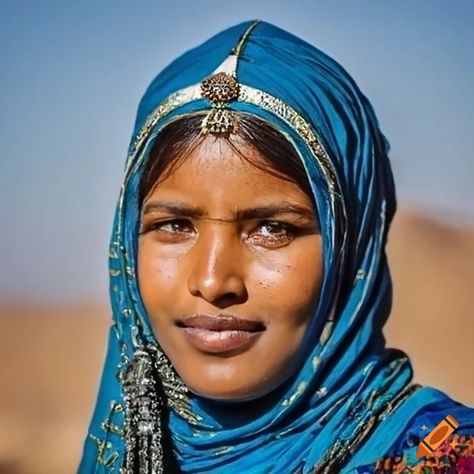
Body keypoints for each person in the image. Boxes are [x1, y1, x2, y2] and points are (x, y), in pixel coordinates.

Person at [79, 20, 474, 473]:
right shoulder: (122, 447)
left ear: (349, 252)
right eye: (174, 225)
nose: (212, 280)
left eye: (271, 228)